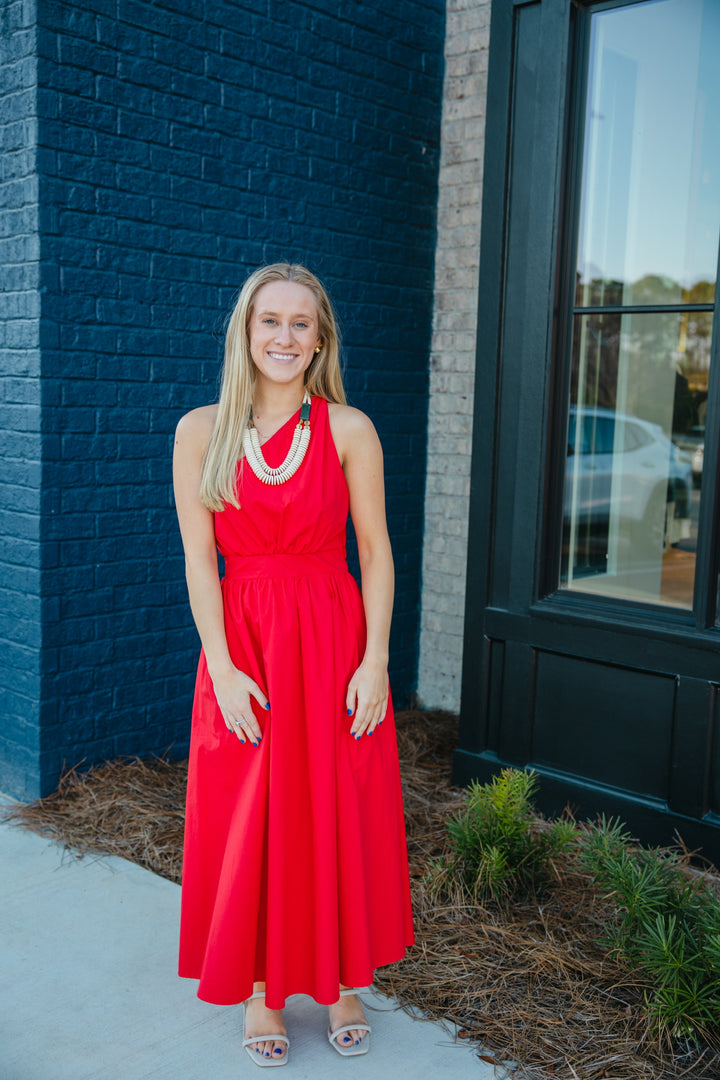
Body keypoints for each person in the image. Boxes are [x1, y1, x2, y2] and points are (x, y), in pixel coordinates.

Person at [172, 263, 415, 1066]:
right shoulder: (200, 430)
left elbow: (376, 552)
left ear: (320, 340)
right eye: (268, 320)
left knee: (338, 807)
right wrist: (223, 666)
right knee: (250, 818)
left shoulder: (349, 429)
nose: (283, 336)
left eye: (300, 324)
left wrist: (376, 659)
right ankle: (256, 992)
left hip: (333, 646)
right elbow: (199, 564)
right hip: (244, 653)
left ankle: (345, 982)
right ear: (246, 333)